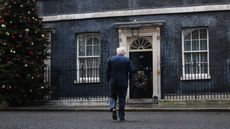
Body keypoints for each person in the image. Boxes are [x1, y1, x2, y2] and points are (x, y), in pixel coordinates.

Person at [106, 47, 134, 121]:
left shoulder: (111, 59)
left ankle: (113, 108)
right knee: (122, 99)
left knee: (112, 96)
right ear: (124, 53)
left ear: (117, 52)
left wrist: (108, 80)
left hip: (113, 82)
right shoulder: (127, 60)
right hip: (123, 82)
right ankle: (121, 116)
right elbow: (132, 71)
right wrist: (130, 79)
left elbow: (107, 71)